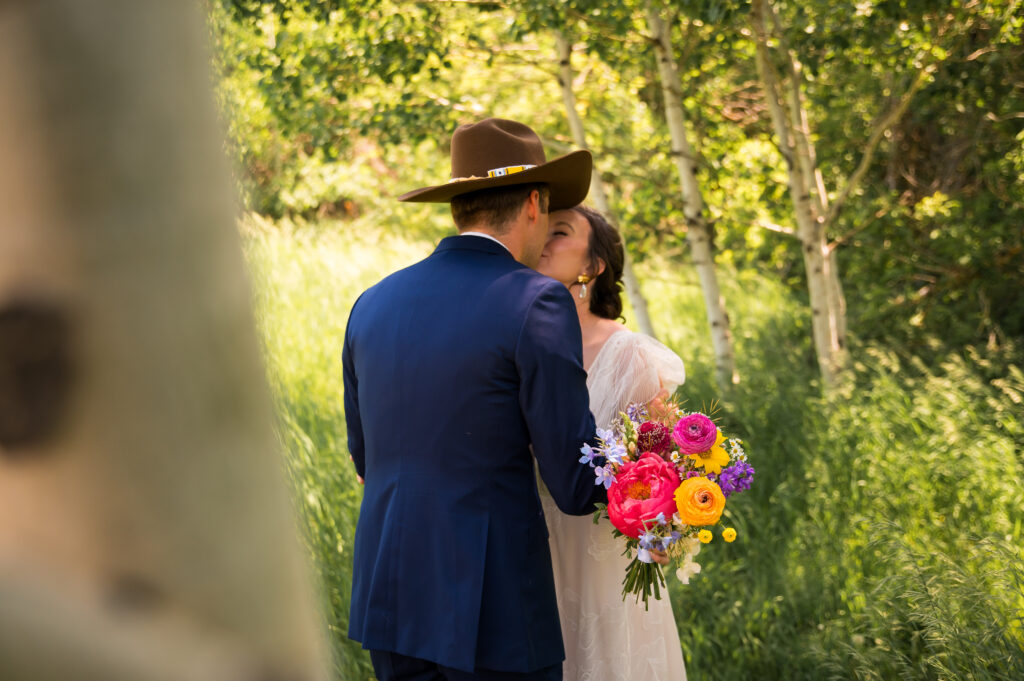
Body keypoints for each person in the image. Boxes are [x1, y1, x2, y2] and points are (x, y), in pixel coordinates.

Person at [343, 118, 607, 681]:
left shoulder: (372, 303)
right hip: (493, 608)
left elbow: (365, 461)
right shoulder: (536, 301)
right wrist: (654, 471)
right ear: (535, 203)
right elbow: (574, 480)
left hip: (391, 595)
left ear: (460, 205)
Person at [536, 205, 689, 681]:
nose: (542, 237)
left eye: (559, 232)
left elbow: (668, 469)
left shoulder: (632, 358)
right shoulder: (518, 343)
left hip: (599, 563)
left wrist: (661, 538)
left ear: (592, 266)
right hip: (531, 555)